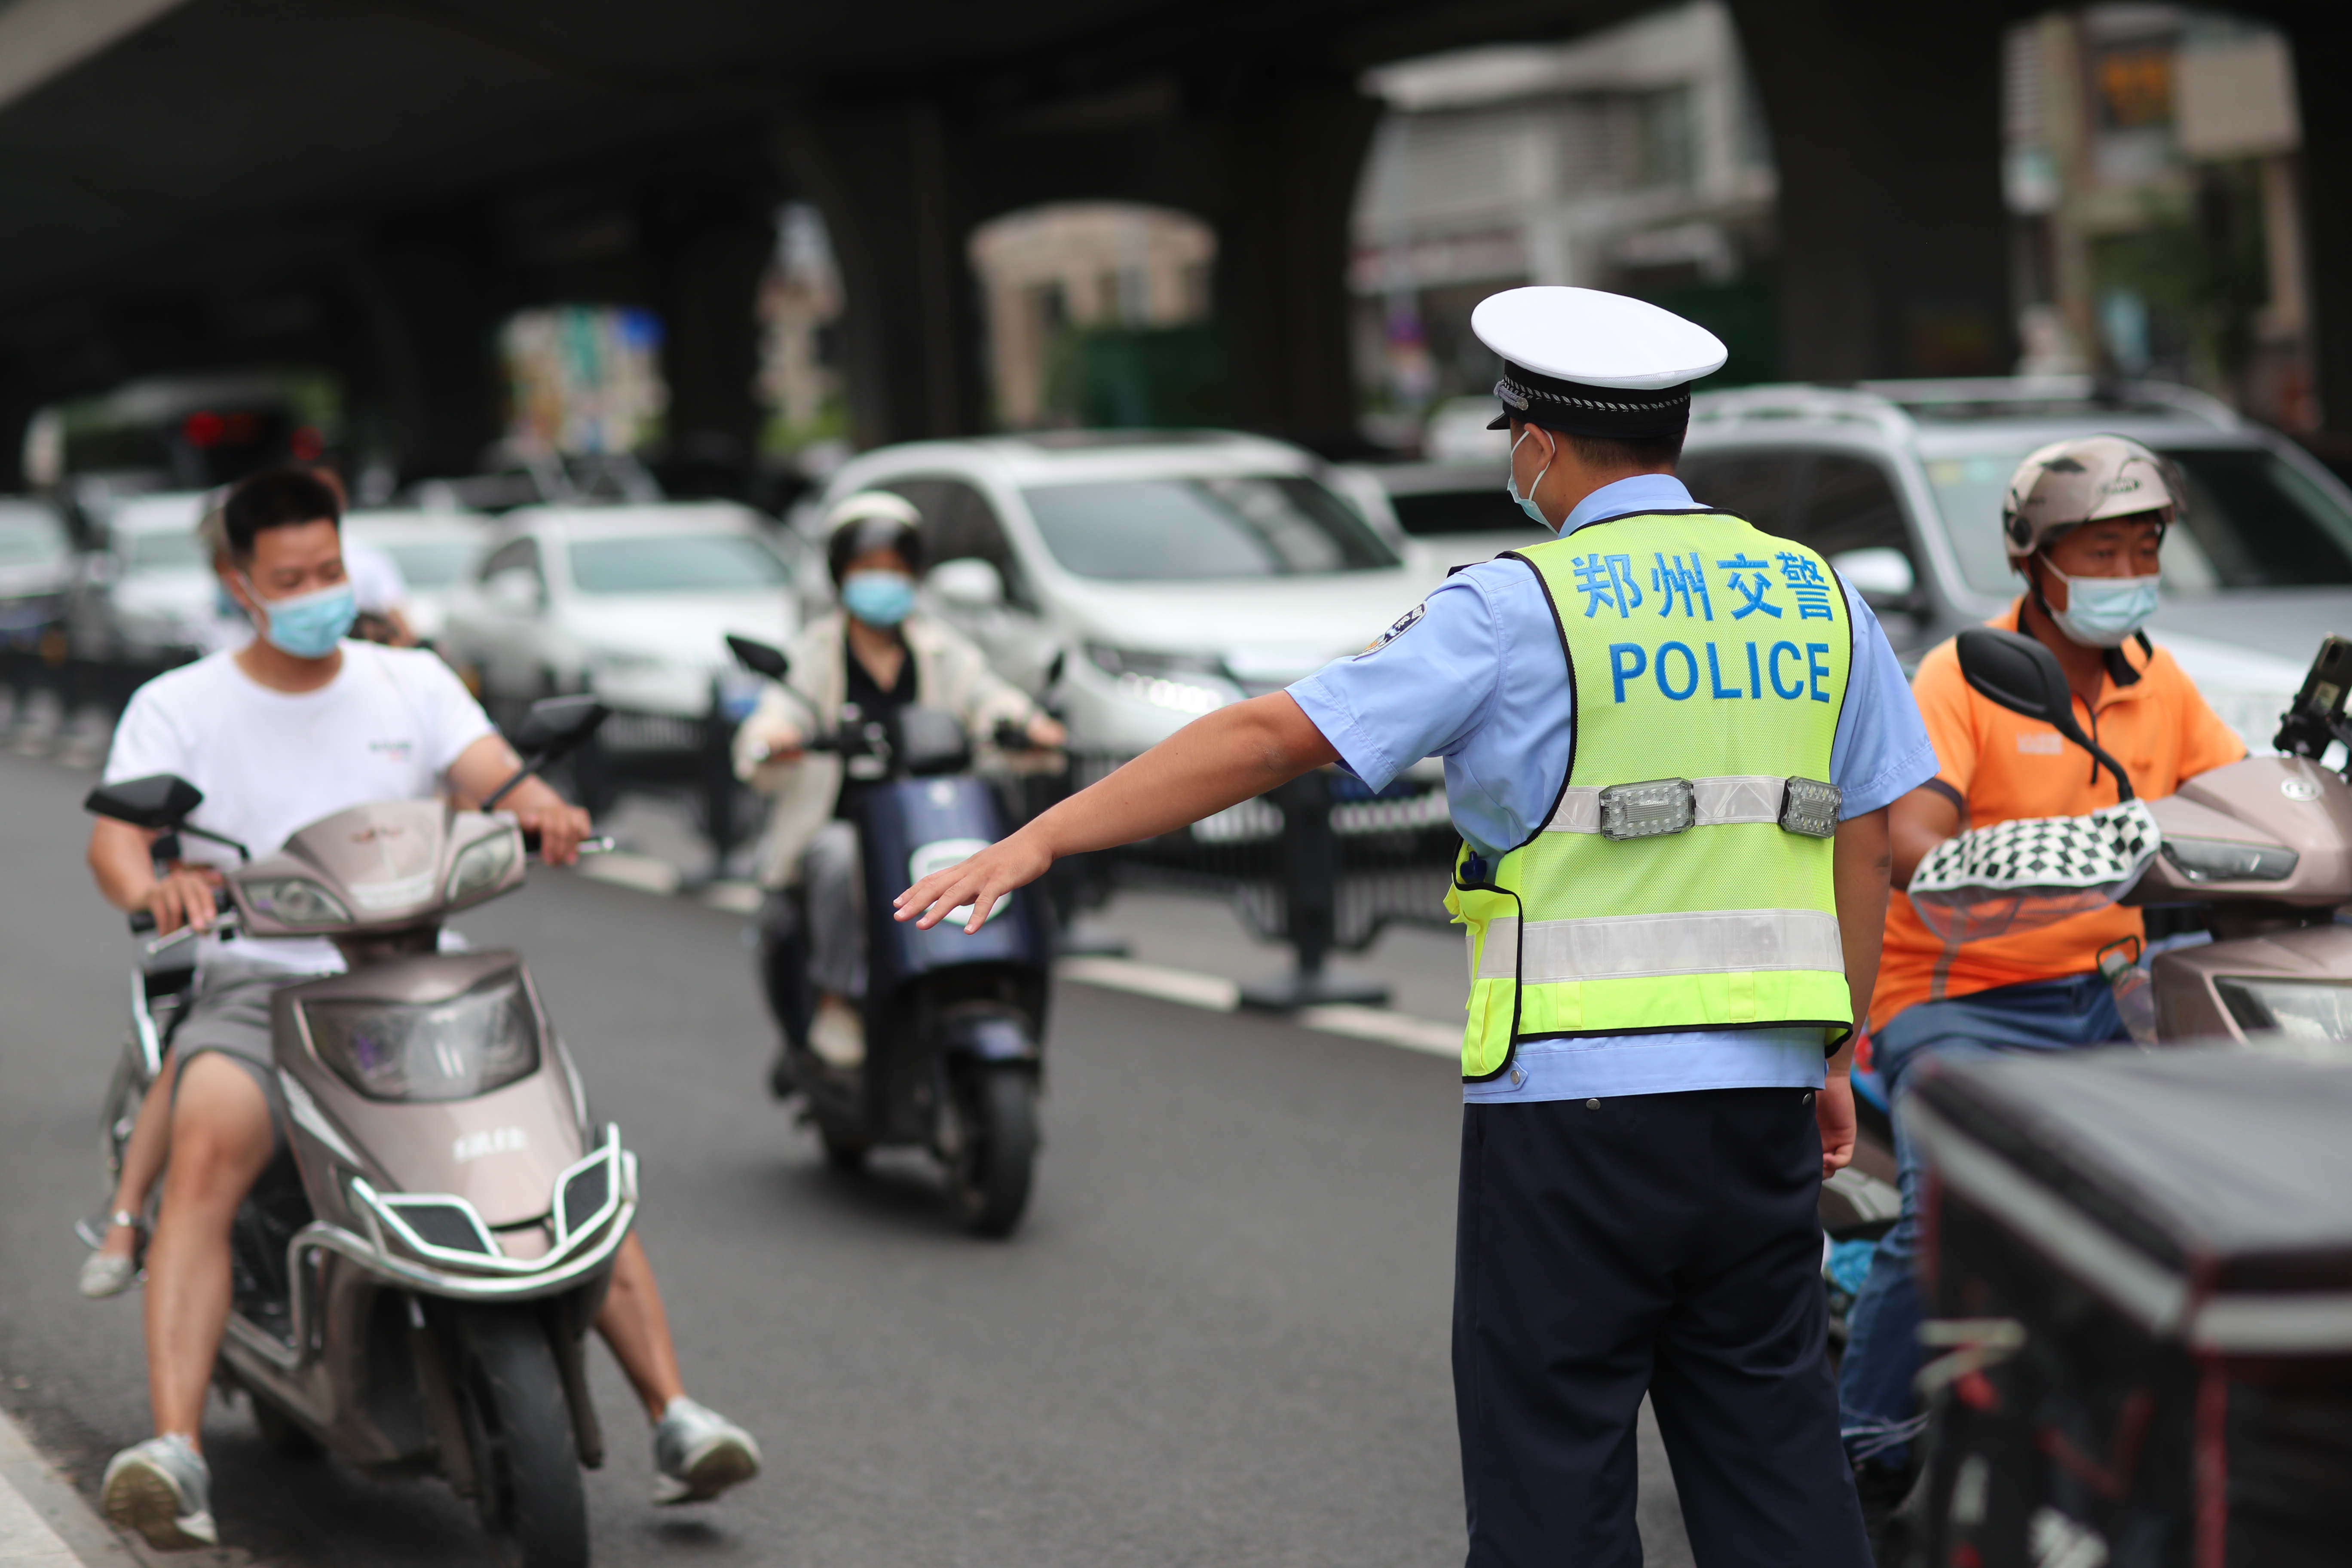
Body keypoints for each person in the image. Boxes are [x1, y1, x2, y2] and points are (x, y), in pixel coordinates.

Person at [894, 286, 1937, 1566]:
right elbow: (1864, 842)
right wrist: (1833, 1052)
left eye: (1513, 443)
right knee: (1775, 1462)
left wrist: (1045, 835)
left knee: (1554, 1473)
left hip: (1573, 1116)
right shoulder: (1817, 596)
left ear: (1539, 442)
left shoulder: (1514, 606)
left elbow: (1272, 738)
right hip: (1763, 1096)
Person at [84, 469, 760, 1552]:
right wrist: (153, 887)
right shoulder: (180, 705)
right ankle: (177, 1452)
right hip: (263, 983)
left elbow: (497, 776)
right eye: (291, 579)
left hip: (419, 973)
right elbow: (117, 841)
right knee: (206, 1143)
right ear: (239, 584)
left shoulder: (411, 682)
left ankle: (677, 1417)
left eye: (331, 569)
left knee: (557, 1147)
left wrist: (542, 808)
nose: (319, 593)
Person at [1835, 434, 2248, 1501]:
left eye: (2144, 551)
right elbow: (1912, 841)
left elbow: (2238, 800)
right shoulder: (1963, 675)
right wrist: (2064, 852)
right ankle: (1866, 1442)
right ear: (2032, 559)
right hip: (1960, 1000)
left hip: (2115, 995)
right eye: (2100, 553)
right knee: (1950, 1208)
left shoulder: (2160, 681)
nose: (2127, 576)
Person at [734, 490, 1064, 1084]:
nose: (882, 582)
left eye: (894, 568)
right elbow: (775, 716)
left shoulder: (943, 649)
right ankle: (838, 1001)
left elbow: (989, 697)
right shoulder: (814, 655)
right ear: (840, 576)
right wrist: (777, 738)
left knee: (1002, 863)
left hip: (931, 823)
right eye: (867, 569)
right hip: (844, 826)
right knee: (837, 857)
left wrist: (1028, 726)